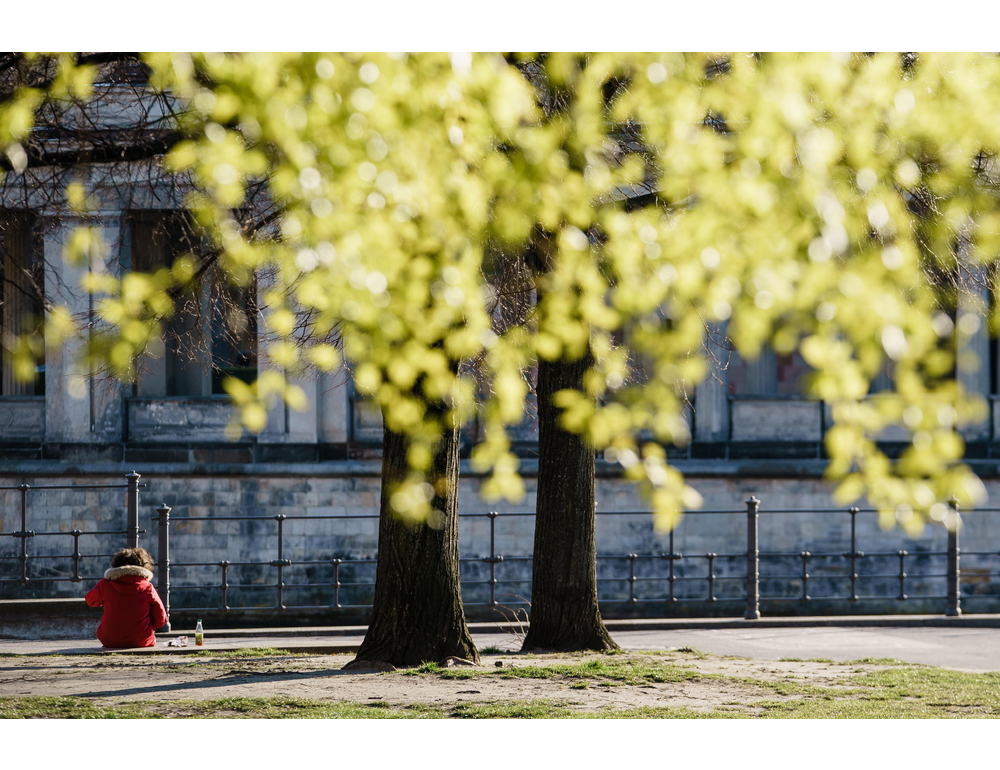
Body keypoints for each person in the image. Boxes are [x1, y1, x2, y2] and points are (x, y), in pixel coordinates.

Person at [85, 546, 167, 648]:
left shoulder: (106, 584)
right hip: (141, 640)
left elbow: (90, 600)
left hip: (109, 640)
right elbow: (161, 620)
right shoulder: (147, 587)